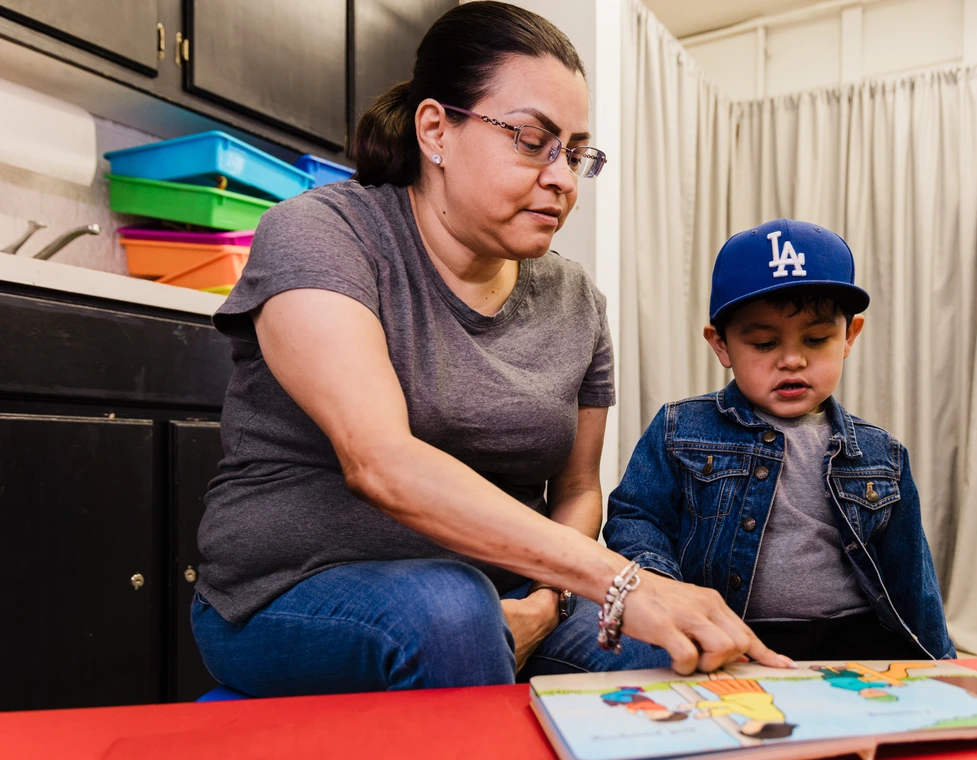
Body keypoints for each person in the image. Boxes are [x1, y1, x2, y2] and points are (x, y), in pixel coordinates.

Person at [190, 2, 793, 698]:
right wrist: (618, 579)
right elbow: (380, 462)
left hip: (506, 593)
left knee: (674, 655)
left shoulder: (575, 301)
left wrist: (547, 600)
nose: (564, 178)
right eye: (533, 140)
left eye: (574, 152)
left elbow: (576, 488)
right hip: (287, 595)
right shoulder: (322, 236)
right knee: (448, 610)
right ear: (436, 129)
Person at [601, 218, 956, 661]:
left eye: (816, 338)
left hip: (855, 641)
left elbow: (912, 578)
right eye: (765, 344)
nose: (792, 359)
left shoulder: (881, 454)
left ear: (849, 336)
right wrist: (666, 591)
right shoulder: (681, 429)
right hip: (732, 634)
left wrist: (943, 667)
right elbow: (636, 518)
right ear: (722, 346)